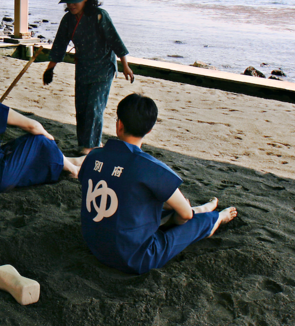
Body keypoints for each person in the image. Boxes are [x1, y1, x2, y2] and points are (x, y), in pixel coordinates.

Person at [79, 93, 237, 274]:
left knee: (146, 205)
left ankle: (201, 210)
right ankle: (216, 218)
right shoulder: (150, 167)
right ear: (149, 130)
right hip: (134, 257)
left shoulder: (94, 156)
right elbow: (185, 216)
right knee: (190, 221)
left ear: (119, 124)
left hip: (95, 244)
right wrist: (180, 215)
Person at [44, 0, 135, 154]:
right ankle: (84, 143)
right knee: (82, 108)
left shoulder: (100, 15)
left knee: (95, 108)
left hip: (103, 69)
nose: (71, 5)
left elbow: (115, 40)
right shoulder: (68, 20)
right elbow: (59, 45)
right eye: (68, 1)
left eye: (75, 1)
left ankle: (90, 146)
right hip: (83, 68)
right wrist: (50, 68)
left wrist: (125, 65)